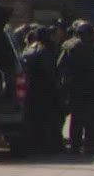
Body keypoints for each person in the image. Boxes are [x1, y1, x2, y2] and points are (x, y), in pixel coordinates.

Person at [57, 20, 94, 159]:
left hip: (78, 87)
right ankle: (86, 145)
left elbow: (60, 66)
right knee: (88, 119)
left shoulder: (70, 46)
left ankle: (77, 145)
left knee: (79, 119)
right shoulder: (92, 48)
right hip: (87, 87)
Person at [19, 25, 64, 156]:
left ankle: (35, 145)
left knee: (34, 119)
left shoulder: (29, 49)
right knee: (49, 119)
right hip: (45, 90)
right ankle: (47, 145)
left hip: (32, 90)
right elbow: (49, 73)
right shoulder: (46, 51)